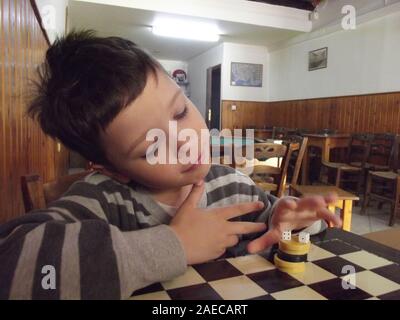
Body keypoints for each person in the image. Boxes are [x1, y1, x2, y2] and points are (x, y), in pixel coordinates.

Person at [0, 30, 341, 299]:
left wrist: (288, 223)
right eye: (151, 148)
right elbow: (11, 269)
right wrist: (174, 244)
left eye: (180, 112)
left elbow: (280, 232)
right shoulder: (104, 201)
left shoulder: (233, 187)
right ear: (111, 168)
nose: (181, 140)